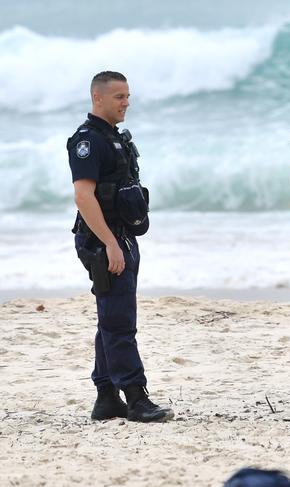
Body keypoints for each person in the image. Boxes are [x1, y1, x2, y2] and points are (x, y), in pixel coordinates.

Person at [67, 71, 173, 422]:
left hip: (121, 235)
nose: (126, 102)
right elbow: (84, 196)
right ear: (98, 98)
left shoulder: (114, 138)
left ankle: (106, 396)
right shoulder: (87, 141)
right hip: (104, 239)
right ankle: (136, 397)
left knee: (111, 318)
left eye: (128, 96)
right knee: (119, 322)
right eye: (119, 97)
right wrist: (110, 244)